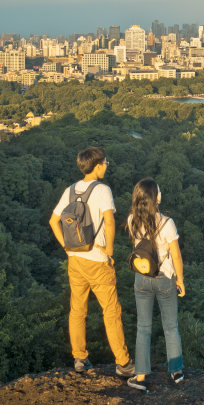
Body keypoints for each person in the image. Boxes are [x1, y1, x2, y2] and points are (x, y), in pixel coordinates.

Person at [49, 146, 134, 376]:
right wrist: (110, 249)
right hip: (97, 260)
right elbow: (109, 220)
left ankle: (80, 359)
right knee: (111, 311)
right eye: (105, 163)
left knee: (77, 311)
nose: (106, 166)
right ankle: (123, 363)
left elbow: (53, 221)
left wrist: (67, 248)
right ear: (97, 165)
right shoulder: (102, 189)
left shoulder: (70, 190)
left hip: (75, 260)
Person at [126, 177, 185, 391]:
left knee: (143, 327)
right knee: (170, 326)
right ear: (156, 198)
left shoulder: (132, 219)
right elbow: (176, 256)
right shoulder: (167, 223)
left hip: (141, 278)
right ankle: (176, 372)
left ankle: (140, 376)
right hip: (164, 279)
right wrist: (180, 279)